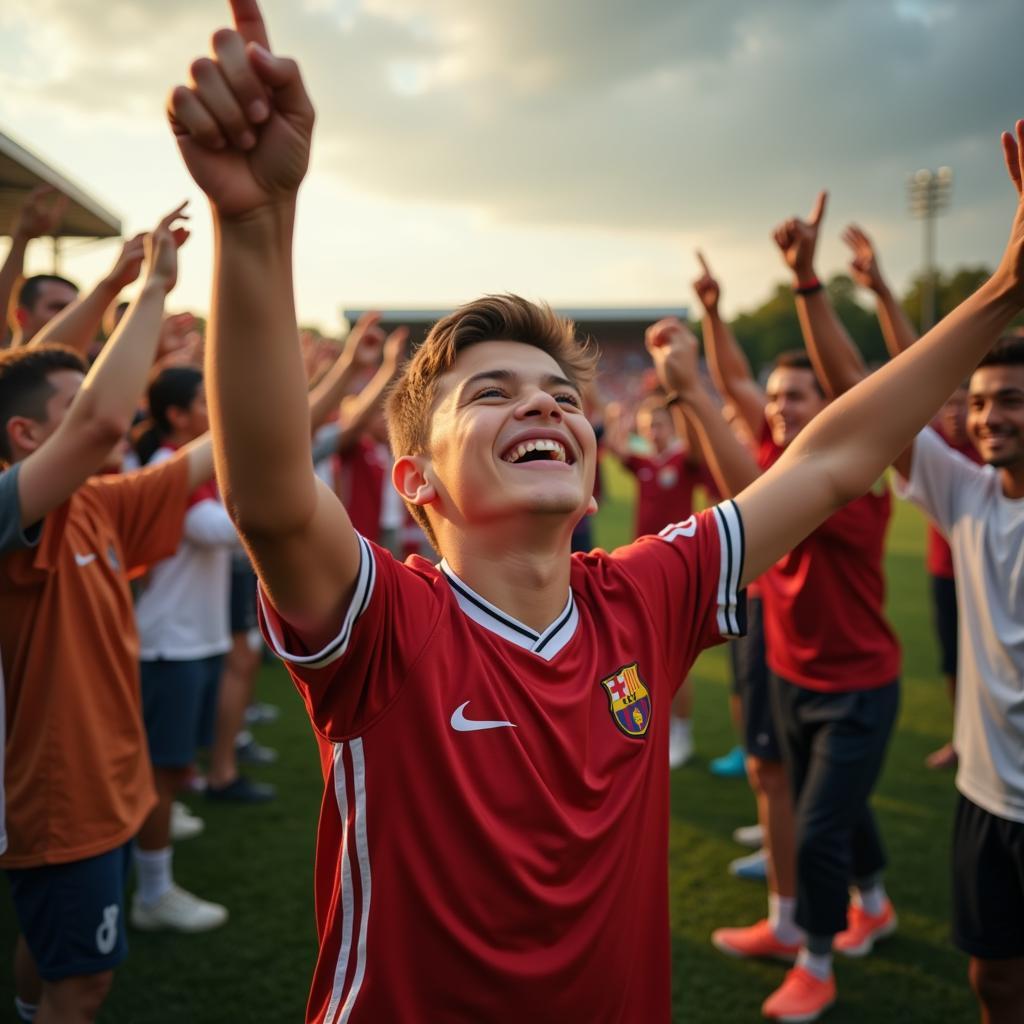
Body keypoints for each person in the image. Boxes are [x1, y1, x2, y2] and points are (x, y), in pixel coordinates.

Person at [167, 5, 1024, 1017]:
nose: (542, 402)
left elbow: (833, 457)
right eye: (491, 392)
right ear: (416, 484)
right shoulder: (388, 625)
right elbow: (267, 492)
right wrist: (255, 228)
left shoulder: (640, 596)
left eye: (562, 394)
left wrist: (1003, 291)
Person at [0, 205, 216, 1024]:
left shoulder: (101, 501)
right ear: (23, 437)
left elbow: (223, 443)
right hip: (56, 789)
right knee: (83, 984)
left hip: (107, 774)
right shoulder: (13, 508)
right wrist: (150, 289)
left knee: (54, 956)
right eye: (76, 400)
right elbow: (95, 423)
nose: (114, 411)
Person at [895, 334, 1024, 1024]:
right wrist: (807, 286)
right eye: (977, 402)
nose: (987, 417)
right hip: (985, 794)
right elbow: (872, 400)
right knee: (993, 979)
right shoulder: (968, 496)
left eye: (1010, 400)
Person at [843, 222, 981, 769]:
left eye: (968, 399)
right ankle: (965, 738)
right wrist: (880, 291)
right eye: (956, 398)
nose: (958, 407)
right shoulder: (944, 449)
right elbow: (916, 362)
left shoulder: (988, 460)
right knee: (954, 656)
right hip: (948, 568)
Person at [131, 366, 238, 932]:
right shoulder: (168, 469)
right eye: (205, 401)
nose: (211, 411)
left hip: (192, 635)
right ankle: (152, 895)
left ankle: (155, 859)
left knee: (169, 770)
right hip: (170, 642)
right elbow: (216, 529)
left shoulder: (187, 466)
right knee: (158, 772)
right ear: (177, 414)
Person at [604, 391, 709, 767]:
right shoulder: (645, 462)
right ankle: (655, 728)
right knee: (644, 652)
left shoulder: (684, 460)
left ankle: (682, 733)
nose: (654, 433)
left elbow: (698, 448)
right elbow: (616, 450)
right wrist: (618, 418)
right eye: (649, 427)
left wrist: (685, 408)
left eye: (660, 425)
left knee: (675, 653)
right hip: (640, 570)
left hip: (678, 570)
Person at [0, 187, 70, 349]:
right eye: (57, 307)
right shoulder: (8, 370)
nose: (69, 316)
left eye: (74, 309)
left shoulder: (85, 371)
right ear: (21, 316)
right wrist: (22, 238)